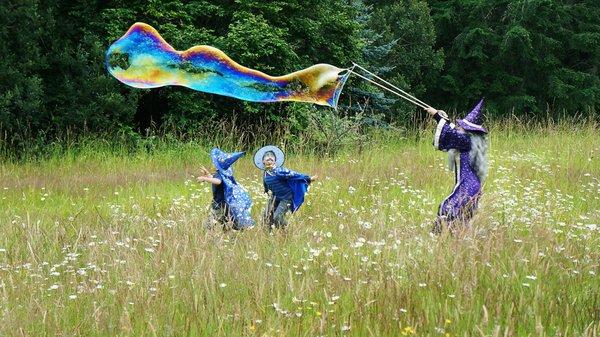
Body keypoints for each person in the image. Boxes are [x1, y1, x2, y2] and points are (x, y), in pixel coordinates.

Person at [425, 99, 489, 234]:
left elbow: (451, 133)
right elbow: (453, 130)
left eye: (462, 127)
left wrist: (436, 116)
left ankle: (434, 236)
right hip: (472, 185)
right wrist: (443, 119)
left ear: (468, 130)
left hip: (468, 185)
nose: (459, 128)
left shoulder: (466, 140)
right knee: (462, 216)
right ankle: (459, 240)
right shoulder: (471, 140)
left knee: (446, 208)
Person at [253, 145, 318, 230]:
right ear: (263, 161)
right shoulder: (265, 173)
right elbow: (265, 183)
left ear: (275, 161)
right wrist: (265, 190)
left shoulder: (280, 171)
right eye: (267, 158)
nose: (269, 159)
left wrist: (308, 178)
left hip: (286, 198)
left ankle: (289, 231)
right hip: (275, 196)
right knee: (266, 215)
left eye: (272, 158)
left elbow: (294, 175)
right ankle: (269, 233)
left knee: (277, 217)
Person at [196, 148, 255, 230]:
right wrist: (208, 175)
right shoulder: (224, 173)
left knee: (210, 222)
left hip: (219, 203)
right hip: (225, 202)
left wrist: (204, 178)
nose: (213, 163)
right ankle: (233, 230)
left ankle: (207, 232)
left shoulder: (219, 174)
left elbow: (218, 181)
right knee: (227, 220)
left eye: (214, 162)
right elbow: (217, 180)